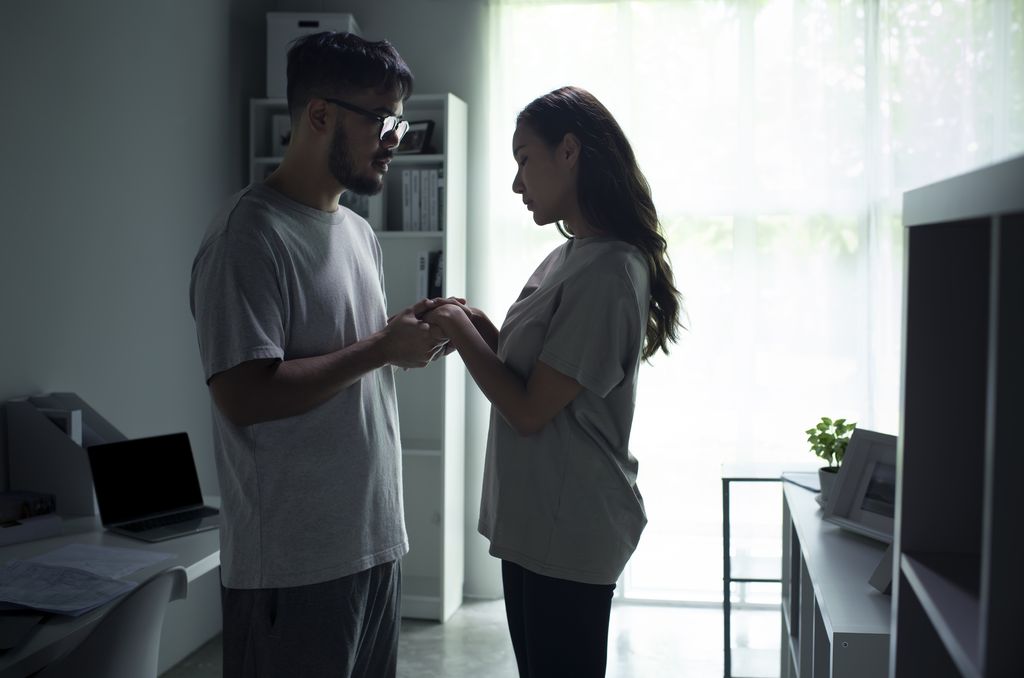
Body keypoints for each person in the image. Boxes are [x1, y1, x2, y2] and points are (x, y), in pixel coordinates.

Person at [189, 32, 446, 678]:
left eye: (400, 123)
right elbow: (243, 394)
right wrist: (380, 348)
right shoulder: (248, 234)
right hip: (293, 567)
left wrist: (399, 341)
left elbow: (353, 358)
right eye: (382, 121)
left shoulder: (358, 232)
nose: (394, 139)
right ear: (320, 115)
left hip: (375, 545)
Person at [422, 85, 682, 678]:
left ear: (569, 151)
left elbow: (530, 409)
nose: (517, 184)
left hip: (570, 528)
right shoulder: (571, 254)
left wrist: (458, 330)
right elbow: (533, 370)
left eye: (523, 159)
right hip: (537, 520)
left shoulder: (611, 268)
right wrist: (475, 322)